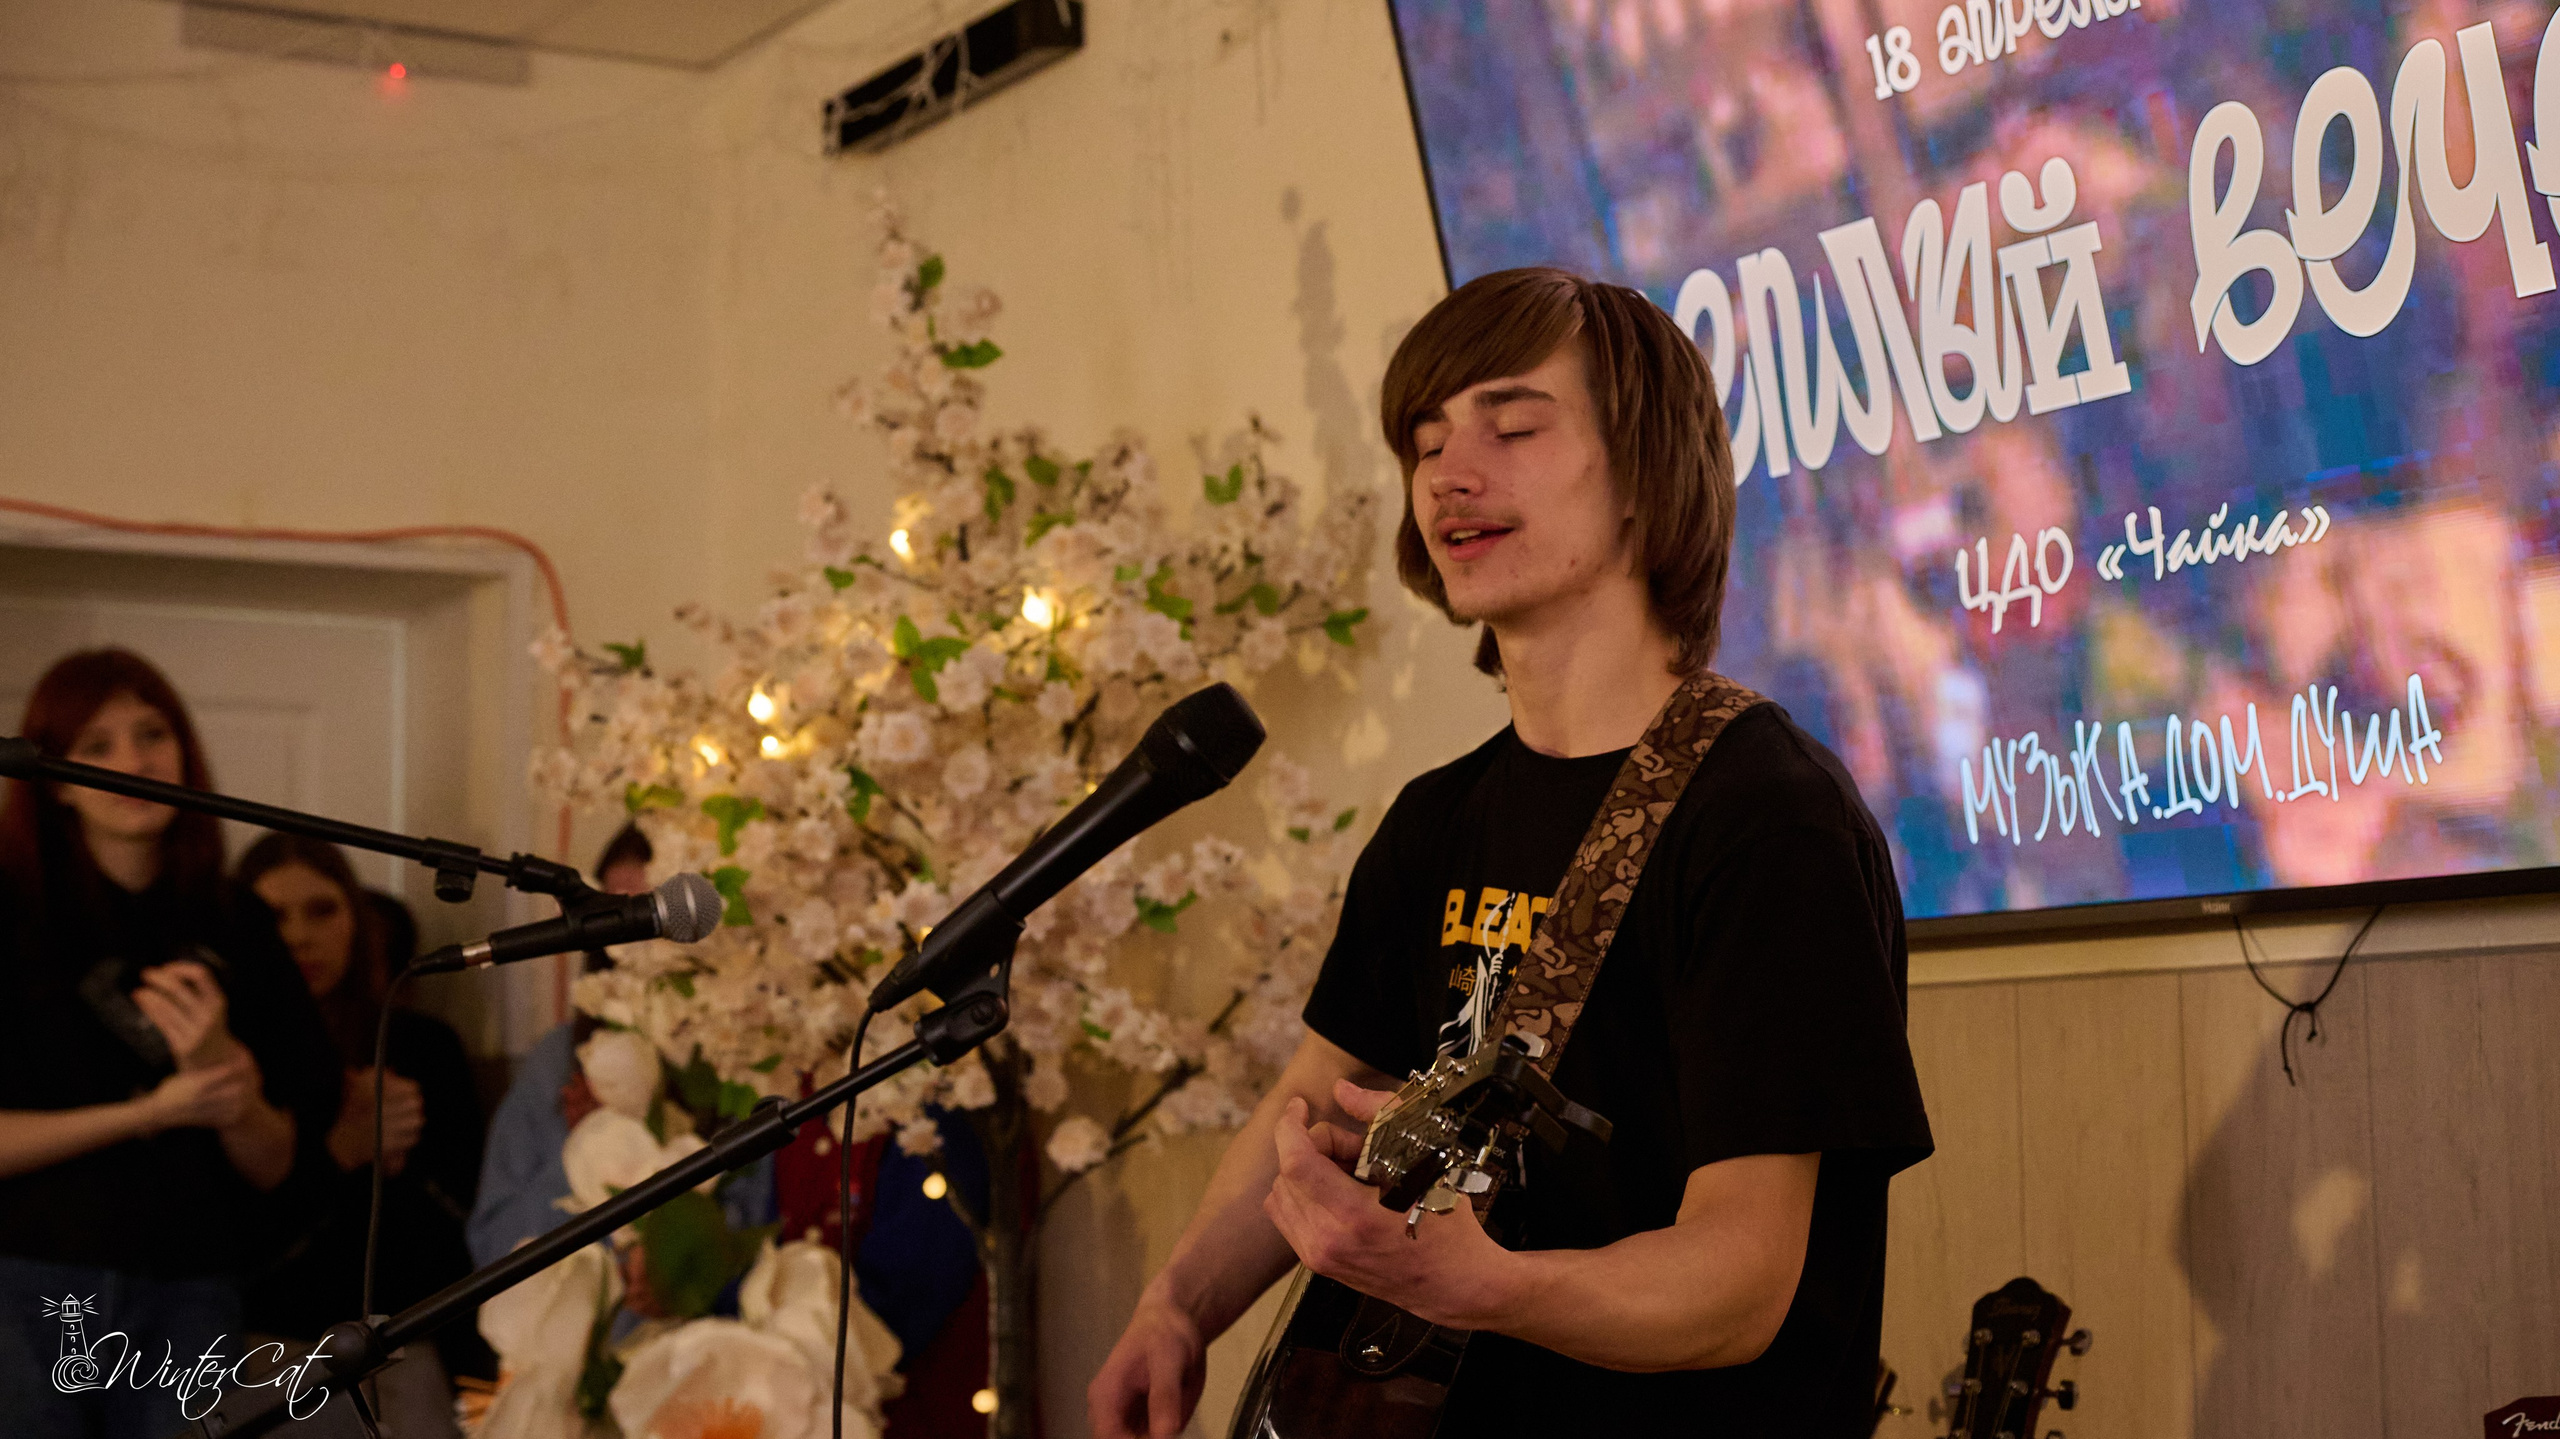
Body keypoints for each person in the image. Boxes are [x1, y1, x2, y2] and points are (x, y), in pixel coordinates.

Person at [1088, 269, 1934, 1438]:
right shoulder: (1437, 820)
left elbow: (1741, 1279)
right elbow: (1317, 1086)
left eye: (1514, 424)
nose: (1448, 471)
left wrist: (1486, 1285)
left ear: (1643, 474)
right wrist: (1177, 1304)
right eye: (1423, 441)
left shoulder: (1767, 818)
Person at [0, 648, 340, 1439]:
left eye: (153, 733)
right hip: (31, 1273)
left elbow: (279, 1157)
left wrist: (225, 1077)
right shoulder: (12, 913)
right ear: (54, 778)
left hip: (191, 1282)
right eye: (98, 744)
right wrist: (150, 1111)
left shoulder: (237, 921)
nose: (134, 761)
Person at [236, 831, 490, 1434]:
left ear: (357, 917)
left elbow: (466, 1229)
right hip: (271, 1346)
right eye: (272, 916)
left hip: (406, 1340)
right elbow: (234, 1248)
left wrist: (398, 1164)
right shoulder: (232, 1058)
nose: (299, 935)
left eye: (322, 910)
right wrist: (338, 1154)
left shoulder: (420, 1045)